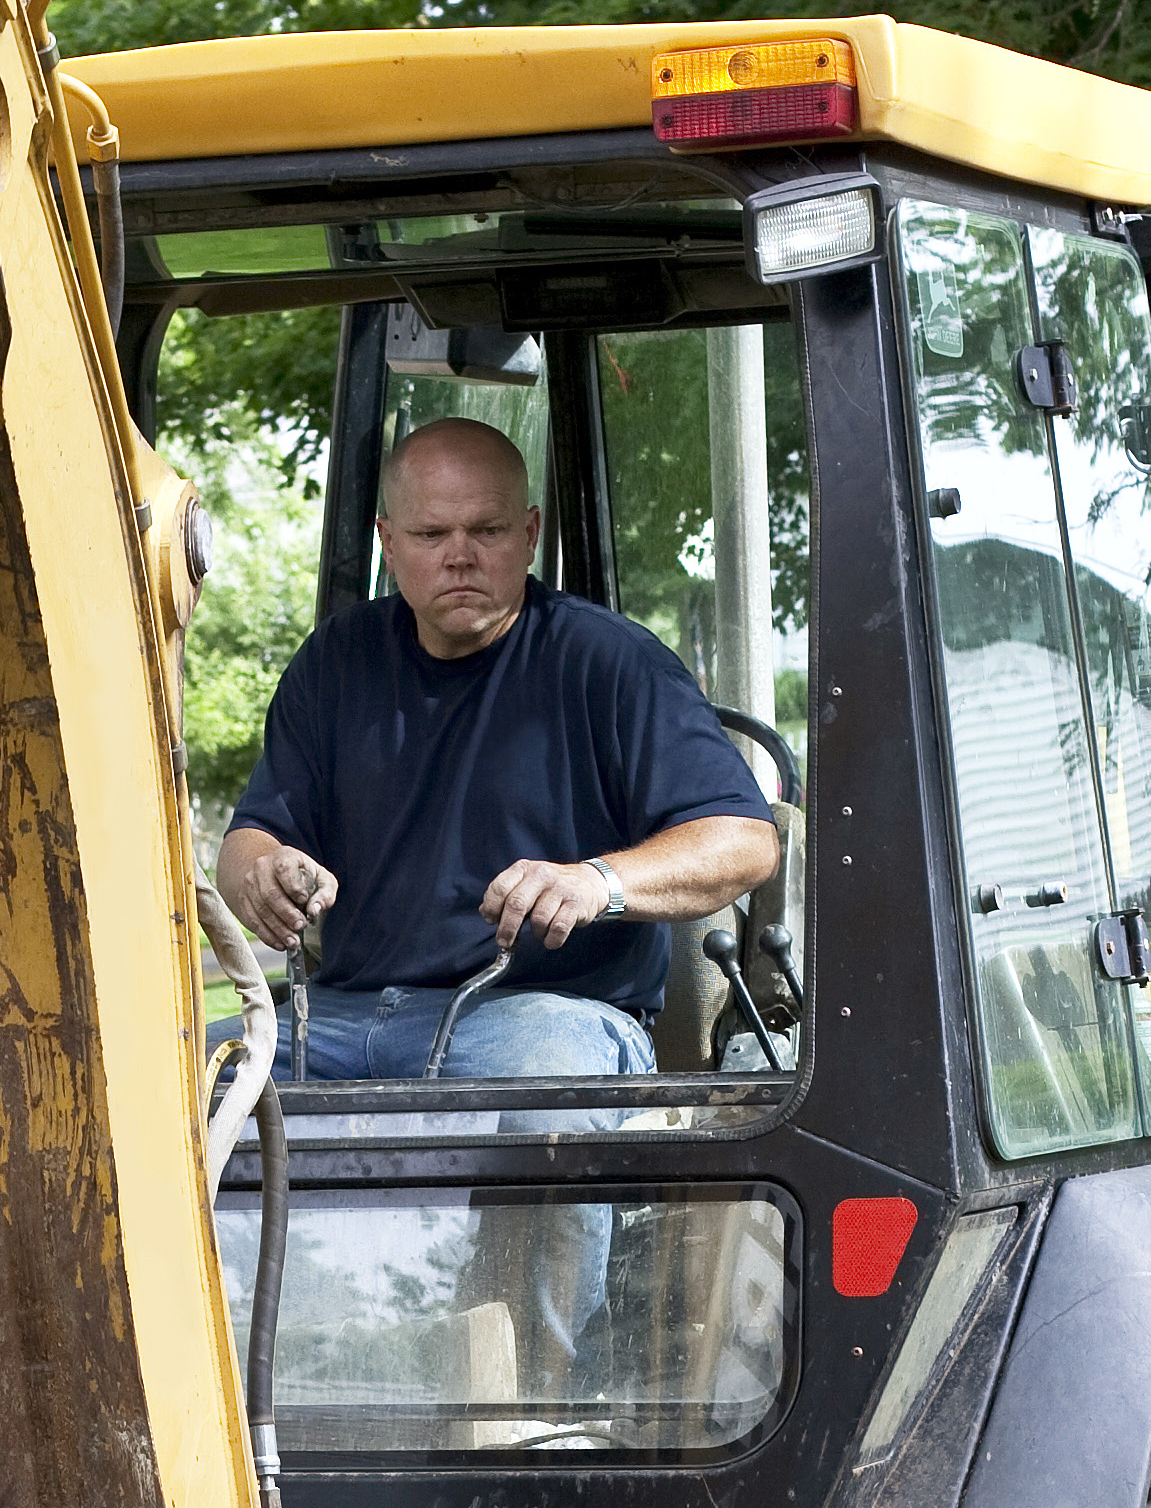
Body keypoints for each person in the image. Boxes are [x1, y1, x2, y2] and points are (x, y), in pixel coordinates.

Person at [215, 416, 780, 1086]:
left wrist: (596, 883)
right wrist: (264, 874)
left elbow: (746, 841)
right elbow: (249, 840)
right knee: (161, 1081)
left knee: (529, 1093)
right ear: (388, 543)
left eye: (487, 530)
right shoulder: (335, 661)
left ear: (530, 535)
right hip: (339, 1016)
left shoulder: (614, 665)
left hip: (547, 1015)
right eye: (431, 534)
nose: (460, 555)